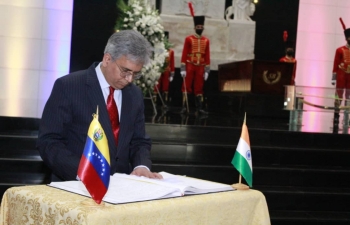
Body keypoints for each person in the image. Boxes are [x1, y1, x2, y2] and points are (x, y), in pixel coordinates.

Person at [37, 30, 162, 181]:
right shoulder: (68, 86)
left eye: (136, 74)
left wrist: (141, 166)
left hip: (121, 190)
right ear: (107, 59)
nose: (129, 79)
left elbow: (139, 140)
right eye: (125, 71)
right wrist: (83, 171)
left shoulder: (134, 94)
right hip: (75, 187)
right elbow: (49, 142)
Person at [180, 2, 210, 115]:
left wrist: (207, 70)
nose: (200, 28)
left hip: (201, 66)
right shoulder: (189, 39)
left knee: (199, 87)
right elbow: (184, 53)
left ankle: (199, 108)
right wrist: (183, 68)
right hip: (190, 64)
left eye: (201, 27)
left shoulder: (206, 40)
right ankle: (184, 107)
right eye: (198, 27)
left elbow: (207, 55)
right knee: (186, 86)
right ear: (195, 27)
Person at [332, 18, 350, 108]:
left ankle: (348, 114)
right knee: (339, 94)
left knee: (349, 96)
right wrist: (333, 78)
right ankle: (336, 113)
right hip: (341, 75)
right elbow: (336, 63)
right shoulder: (339, 50)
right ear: (347, 38)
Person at [153, 31, 175, 105]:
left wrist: (172, 73)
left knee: (166, 87)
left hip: (166, 71)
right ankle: (155, 102)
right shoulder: (157, 50)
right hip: (158, 70)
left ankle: (164, 103)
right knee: (156, 87)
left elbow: (172, 62)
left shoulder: (171, 51)